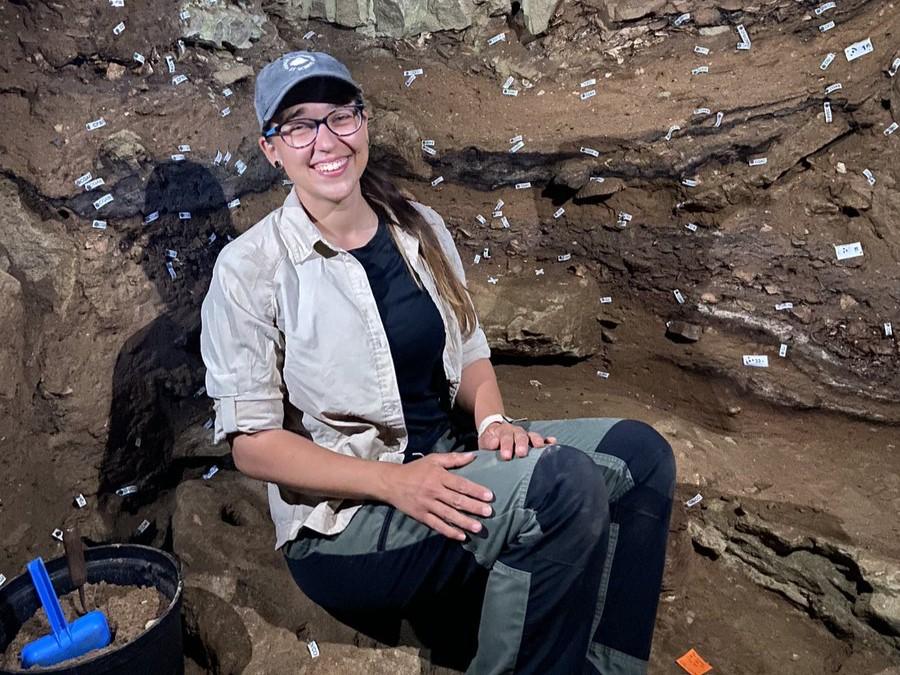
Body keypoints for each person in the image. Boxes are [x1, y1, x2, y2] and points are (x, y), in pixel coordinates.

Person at [200, 51, 675, 675]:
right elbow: (253, 447)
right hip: (349, 517)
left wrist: (492, 423)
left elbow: (470, 347)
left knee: (640, 456)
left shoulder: (417, 226)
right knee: (561, 489)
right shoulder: (250, 271)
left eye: (340, 116)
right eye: (299, 126)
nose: (326, 141)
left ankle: (605, 668)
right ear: (272, 149)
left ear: (363, 123)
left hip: (451, 458)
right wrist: (396, 483)